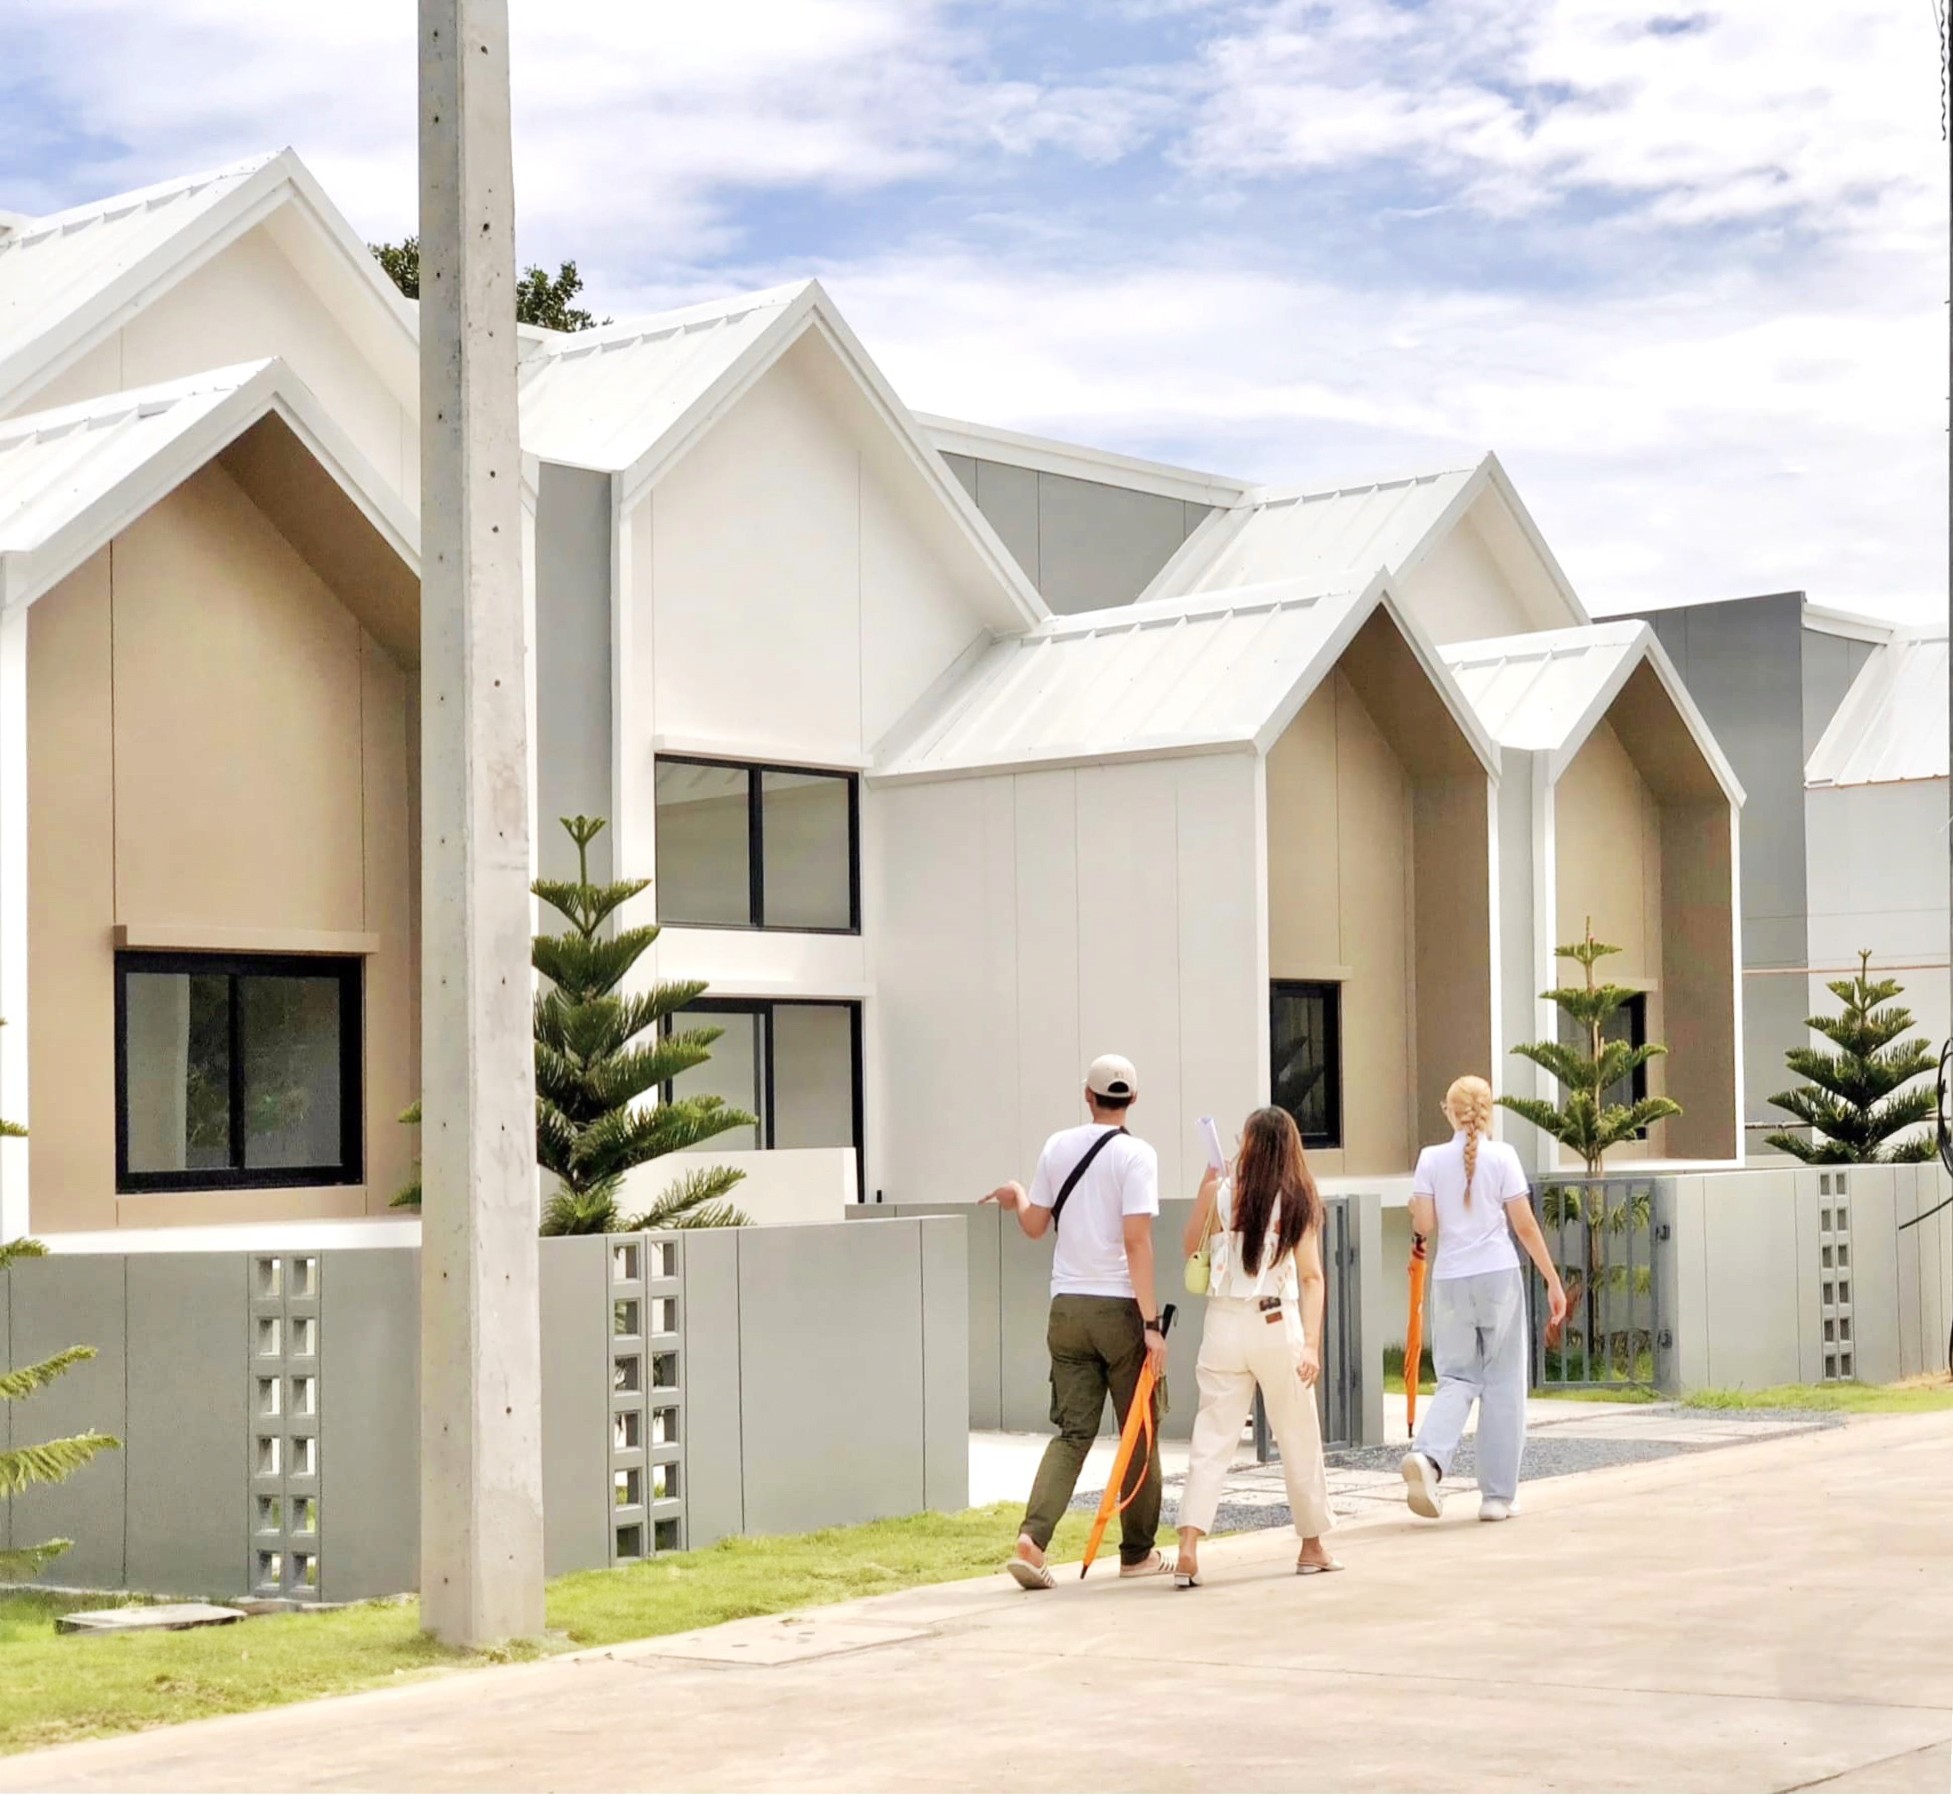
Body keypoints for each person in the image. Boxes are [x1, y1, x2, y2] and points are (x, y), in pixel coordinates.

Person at [983, 1053, 1174, 1587]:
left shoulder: (1056, 1146)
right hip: (1119, 1310)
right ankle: (1136, 1554)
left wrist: (1018, 1195)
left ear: (1087, 1096)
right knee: (1138, 1431)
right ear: (1134, 1098)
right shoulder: (1137, 1155)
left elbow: (1034, 1226)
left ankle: (1032, 1541)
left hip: (1066, 1307)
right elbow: (1137, 1241)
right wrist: (1152, 1324)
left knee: (1072, 1432)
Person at [1174, 1106, 1338, 1587]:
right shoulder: (1299, 1198)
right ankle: (1311, 1545)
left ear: (1246, 1144)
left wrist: (1207, 1189)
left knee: (1212, 1436)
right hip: (1275, 1320)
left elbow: (1190, 1247)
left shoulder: (1220, 1192)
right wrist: (1311, 1345)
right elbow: (1311, 1277)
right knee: (1297, 1434)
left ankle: (1188, 1545)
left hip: (1223, 1322)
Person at [1400, 1075, 1569, 1522]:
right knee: (1504, 1383)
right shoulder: (1504, 1156)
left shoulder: (1430, 1159)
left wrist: (1416, 1210)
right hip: (1498, 1275)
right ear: (1488, 1111)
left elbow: (1424, 1225)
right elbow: (1524, 1225)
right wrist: (1552, 1280)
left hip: (1451, 1279)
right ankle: (1497, 1496)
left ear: (1449, 1111)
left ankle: (1429, 1457)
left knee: (1457, 1377)